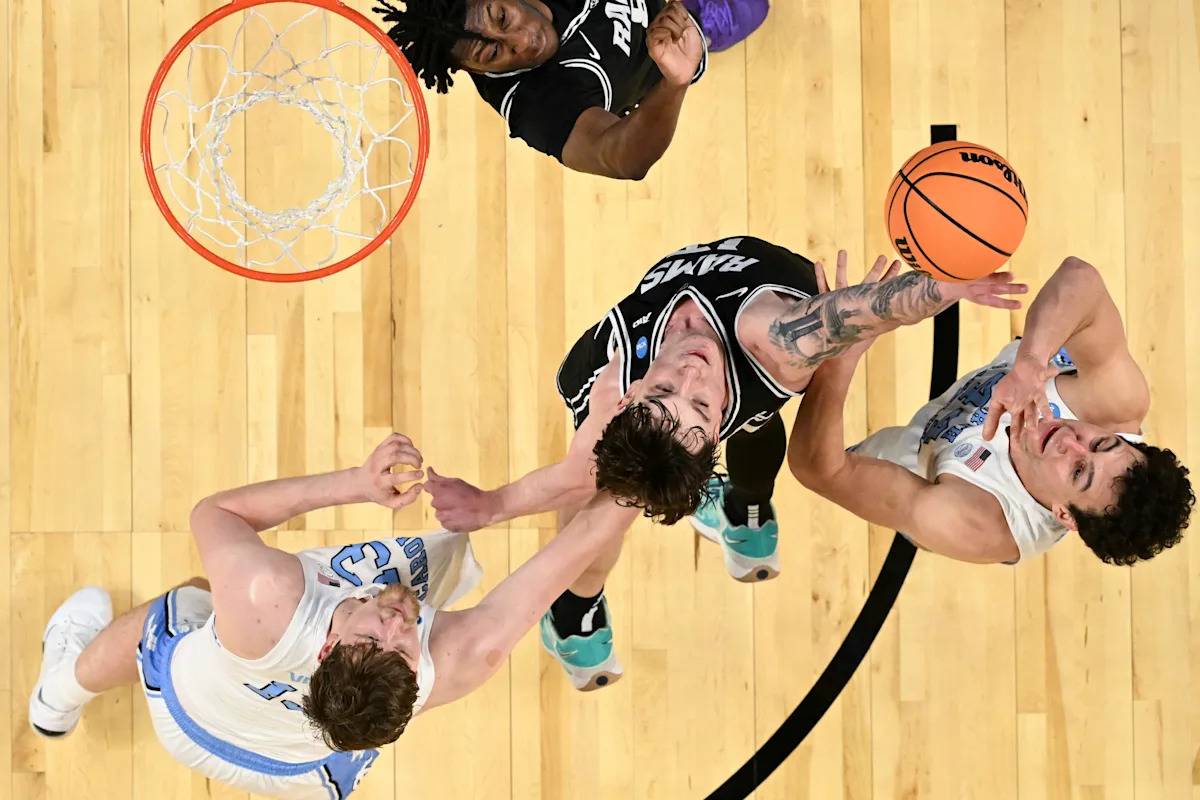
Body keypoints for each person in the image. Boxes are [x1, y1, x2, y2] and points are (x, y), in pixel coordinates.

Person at [423, 237, 1025, 690]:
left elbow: (855, 314)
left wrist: (488, 505)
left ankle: (741, 501)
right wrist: (945, 286)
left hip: (722, 346)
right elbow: (859, 312)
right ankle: (573, 613)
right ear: (714, 429)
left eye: (667, 393)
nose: (691, 374)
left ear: (634, 396)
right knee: (601, 505)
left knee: (727, 443)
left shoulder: (648, 381)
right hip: (744, 359)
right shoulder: (760, 351)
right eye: (697, 404)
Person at [27, 433, 638, 799]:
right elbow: (581, 542)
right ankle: (55, 699)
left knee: (188, 599)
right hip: (302, 775)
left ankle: (55, 698)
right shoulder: (463, 656)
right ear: (418, 676)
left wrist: (356, 483)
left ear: (325, 649)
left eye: (373, 637)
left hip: (191, 718)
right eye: (400, 646)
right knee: (205, 600)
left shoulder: (264, 596)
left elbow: (215, 514)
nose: (397, 622)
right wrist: (656, 461)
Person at [788, 256, 1195, 566]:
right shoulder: (1115, 403)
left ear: (1064, 515)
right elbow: (1081, 277)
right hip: (1015, 386)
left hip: (917, 463)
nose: (1072, 441)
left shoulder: (977, 522)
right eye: (1102, 443)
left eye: (1077, 471)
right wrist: (1032, 362)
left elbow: (820, 470)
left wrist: (840, 357)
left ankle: (753, 505)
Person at [373, 0, 717, 179]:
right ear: (470, 70)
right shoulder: (534, 103)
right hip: (688, 29)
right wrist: (674, 84)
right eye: (491, 53)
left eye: (502, 18)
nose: (524, 41)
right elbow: (621, 159)